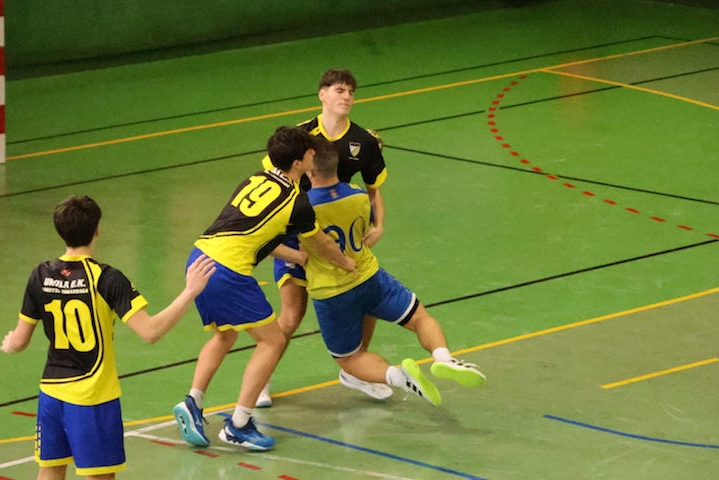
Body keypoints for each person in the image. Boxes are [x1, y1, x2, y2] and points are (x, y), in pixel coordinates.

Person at [0, 195, 215, 480]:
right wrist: (190, 291)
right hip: (93, 397)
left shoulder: (40, 275)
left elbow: (19, 341)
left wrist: (10, 343)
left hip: (51, 395)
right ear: (97, 230)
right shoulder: (107, 278)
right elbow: (151, 331)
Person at [173, 126, 356, 451]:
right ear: (299, 162)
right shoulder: (296, 202)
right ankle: (239, 424)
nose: (314, 153)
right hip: (228, 272)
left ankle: (193, 402)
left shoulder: (255, 180)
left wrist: (296, 257)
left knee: (224, 336)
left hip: (199, 258)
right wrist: (346, 263)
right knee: (272, 341)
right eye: (309, 151)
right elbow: (322, 243)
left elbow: (258, 236)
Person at [302, 140, 487, 405]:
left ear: (310, 171)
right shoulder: (358, 195)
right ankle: (444, 357)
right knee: (420, 317)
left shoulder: (304, 208)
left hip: (332, 290)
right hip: (370, 277)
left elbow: (303, 246)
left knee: (350, 359)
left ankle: (399, 377)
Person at [258, 68, 390, 407]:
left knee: (370, 304)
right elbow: (272, 180)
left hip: (340, 240)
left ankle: (356, 369)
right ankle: (260, 380)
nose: (346, 97)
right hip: (297, 237)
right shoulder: (299, 136)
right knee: (291, 315)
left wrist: (378, 225)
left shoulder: (363, 141)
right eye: (339, 90)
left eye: (351, 92)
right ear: (322, 95)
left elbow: (374, 190)